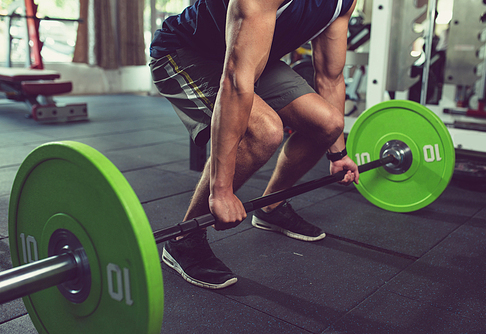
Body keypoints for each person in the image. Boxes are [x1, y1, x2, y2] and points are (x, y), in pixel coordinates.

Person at [150, 0, 360, 290]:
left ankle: (271, 208)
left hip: (254, 59)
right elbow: (236, 79)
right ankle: (184, 240)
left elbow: (331, 78)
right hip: (186, 53)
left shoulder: (342, 3)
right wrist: (221, 191)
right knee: (264, 131)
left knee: (329, 124)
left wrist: (338, 153)